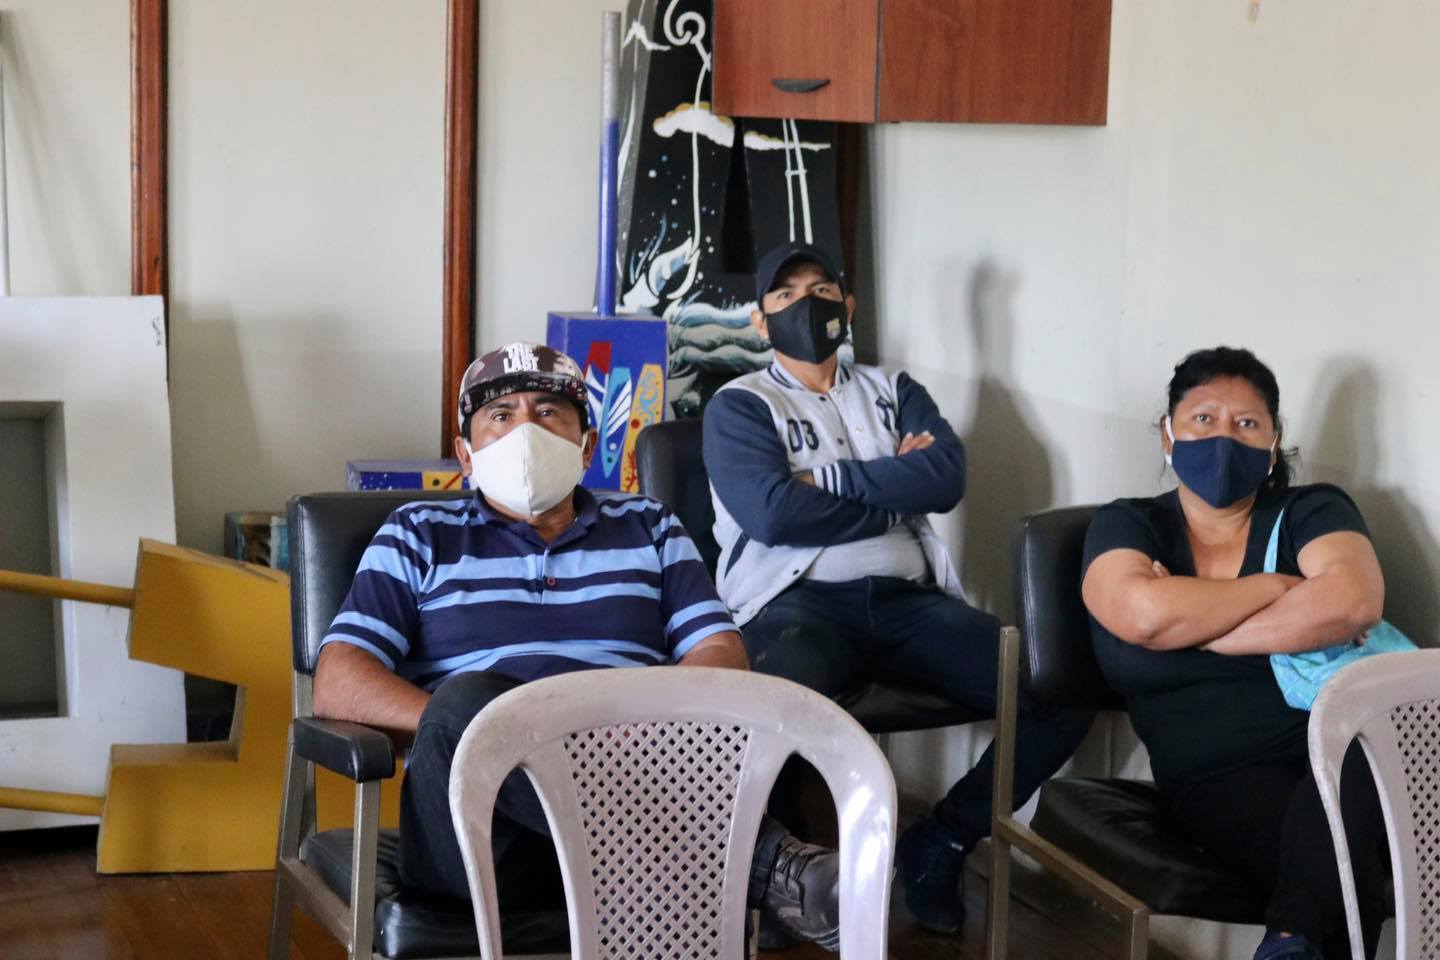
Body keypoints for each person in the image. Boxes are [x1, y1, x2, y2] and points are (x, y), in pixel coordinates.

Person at [313, 341, 843, 949]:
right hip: (482, 837)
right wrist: (494, 731)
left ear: (586, 446)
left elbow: (720, 657)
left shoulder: (650, 526)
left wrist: (619, 732)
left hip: (635, 797)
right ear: (466, 453)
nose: (525, 431)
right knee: (469, 704)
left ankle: (729, 854)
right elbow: (339, 680)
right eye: (500, 416)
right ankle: (770, 869)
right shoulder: (417, 533)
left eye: (547, 413)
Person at [702, 242, 1096, 935]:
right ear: (760, 322)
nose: (806, 305)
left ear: (848, 307)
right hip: (797, 604)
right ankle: (780, 878)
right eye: (785, 296)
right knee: (766, 712)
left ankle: (941, 841)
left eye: (821, 290)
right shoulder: (740, 405)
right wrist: (892, 492)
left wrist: (824, 482)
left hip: (910, 602)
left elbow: (944, 478)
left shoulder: (893, 390)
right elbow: (772, 515)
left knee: (1057, 690)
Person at [1082, 346, 1391, 960]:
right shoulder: (1129, 525)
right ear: (1168, 434)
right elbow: (1141, 614)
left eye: (1247, 423)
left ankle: (1288, 945)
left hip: (1335, 739)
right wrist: (1275, 588)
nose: (1224, 437)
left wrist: (1198, 626)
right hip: (1215, 770)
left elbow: (1353, 601)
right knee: (1348, 861)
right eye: (1203, 419)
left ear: (1273, 444)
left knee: (1367, 760)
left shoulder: (1311, 509)